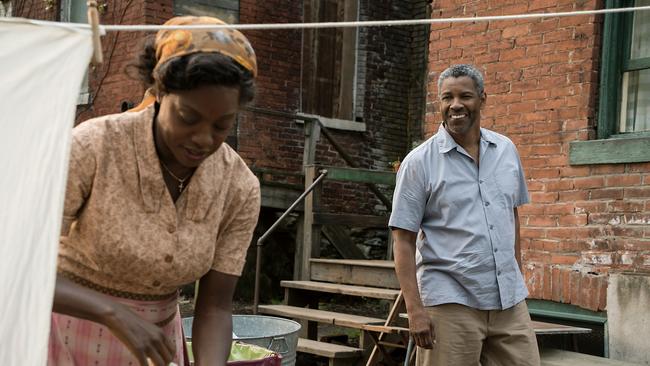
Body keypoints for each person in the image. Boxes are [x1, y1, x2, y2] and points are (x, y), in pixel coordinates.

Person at [48, 16, 261, 366]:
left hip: (156, 350)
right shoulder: (94, 146)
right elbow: (20, 266)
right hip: (62, 337)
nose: (204, 139)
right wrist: (111, 312)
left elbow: (216, 307)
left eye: (222, 125)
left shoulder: (238, 186)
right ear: (159, 91)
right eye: (188, 117)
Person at [389, 64, 540, 365]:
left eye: (465, 96)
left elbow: (512, 217)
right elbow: (402, 239)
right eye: (447, 98)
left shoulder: (506, 150)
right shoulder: (419, 163)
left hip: (507, 302)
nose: (455, 105)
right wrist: (415, 310)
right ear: (440, 103)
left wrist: (515, 275)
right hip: (450, 302)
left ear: (483, 98)